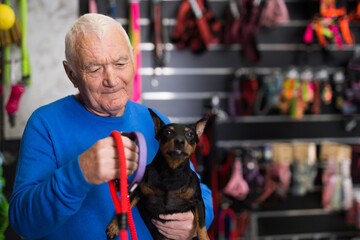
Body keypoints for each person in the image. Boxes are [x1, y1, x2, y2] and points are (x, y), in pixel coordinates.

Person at [8, 13, 214, 240]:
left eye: (120, 63)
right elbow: (23, 223)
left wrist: (195, 221)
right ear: (71, 74)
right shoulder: (44, 124)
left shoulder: (158, 123)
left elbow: (198, 189)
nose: (112, 80)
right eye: (95, 68)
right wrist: (80, 173)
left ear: (133, 62)